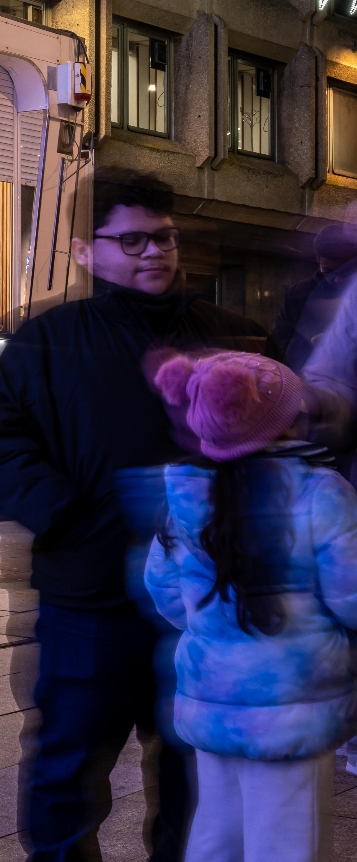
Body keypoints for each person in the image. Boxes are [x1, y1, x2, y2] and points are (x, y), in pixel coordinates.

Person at [0, 169, 271, 862]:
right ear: (84, 251)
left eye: (164, 237)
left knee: (197, 778)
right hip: (90, 599)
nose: (154, 252)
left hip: (206, 603)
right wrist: (73, 518)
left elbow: (281, 445)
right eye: (132, 240)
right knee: (69, 773)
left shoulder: (234, 337)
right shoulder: (48, 341)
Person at [145, 351, 357, 862]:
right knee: (287, 841)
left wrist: (218, 633)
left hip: (211, 696)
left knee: (217, 833)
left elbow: (164, 590)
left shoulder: (186, 495)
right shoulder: (319, 492)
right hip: (293, 705)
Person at [270, 222, 357, 373]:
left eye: (345, 272)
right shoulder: (298, 294)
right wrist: (309, 344)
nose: (337, 280)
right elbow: (278, 344)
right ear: (318, 258)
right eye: (329, 271)